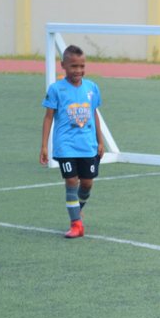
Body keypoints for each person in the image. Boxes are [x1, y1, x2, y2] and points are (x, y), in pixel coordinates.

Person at [39, 44, 104, 238]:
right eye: (74, 66)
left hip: (88, 146)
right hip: (65, 145)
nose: (78, 70)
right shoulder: (56, 89)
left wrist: (100, 141)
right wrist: (44, 146)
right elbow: (48, 117)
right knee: (71, 181)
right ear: (63, 66)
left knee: (87, 184)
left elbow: (94, 113)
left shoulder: (92, 87)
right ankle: (76, 224)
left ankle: (78, 208)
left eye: (82, 66)